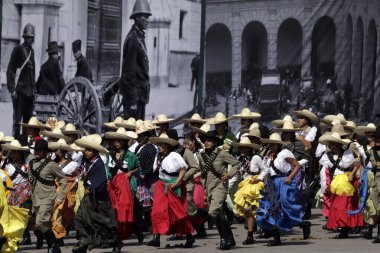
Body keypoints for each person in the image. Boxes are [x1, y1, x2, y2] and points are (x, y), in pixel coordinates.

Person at [256, 133, 310, 246]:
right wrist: (260, 180)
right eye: (269, 144)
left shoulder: (284, 153)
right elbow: (267, 170)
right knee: (272, 209)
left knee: (286, 208)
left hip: (284, 181)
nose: (270, 145)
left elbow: (297, 166)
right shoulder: (269, 156)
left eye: (273, 144)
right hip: (272, 183)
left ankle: (302, 224)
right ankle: (277, 238)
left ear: (278, 144)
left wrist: (290, 177)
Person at [72, 135, 122, 253]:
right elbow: (84, 173)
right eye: (85, 150)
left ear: (95, 152)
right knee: (80, 218)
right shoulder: (87, 162)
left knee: (102, 223)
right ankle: (83, 244)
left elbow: (102, 179)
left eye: (89, 150)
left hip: (99, 198)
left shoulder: (99, 163)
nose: (86, 152)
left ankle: (116, 242)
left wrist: (92, 187)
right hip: (88, 198)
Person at [147, 133, 194, 248]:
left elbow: (183, 169)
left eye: (162, 144)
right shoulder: (158, 155)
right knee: (156, 211)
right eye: (158, 144)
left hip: (173, 186)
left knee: (178, 213)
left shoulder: (174, 155)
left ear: (167, 145)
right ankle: (156, 237)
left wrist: (177, 183)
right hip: (160, 185)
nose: (159, 146)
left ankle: (189, 236)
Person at [198, 131, 239, 250]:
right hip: (208, 187)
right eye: (205, 140)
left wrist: (228, 175)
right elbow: (203, 173)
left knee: (213, 211)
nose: (206, 142)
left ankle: (223, 238)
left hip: (220, 186)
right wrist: (203, 187)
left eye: (209, 140)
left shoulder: (222, 154)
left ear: (215, 142)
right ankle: (230, 238)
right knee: (219, 215)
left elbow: (236, 164)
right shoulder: (201, 156)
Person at [318, 132, 363, 239]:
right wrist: (325, 186)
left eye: (333, 144)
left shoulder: (347, 153)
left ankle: (345, 229)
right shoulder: (326, 156)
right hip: (335, 183)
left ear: (338, 144)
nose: (331, 146)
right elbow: (325, 172)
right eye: (330, 144)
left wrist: (352, 174)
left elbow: (356, 164)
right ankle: (343, 228)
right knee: (337, 206)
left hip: (347, 182)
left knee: (345, 206)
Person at [104, 128, 144, 243]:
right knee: (114, 210)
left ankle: (137, 229)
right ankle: (117, 235)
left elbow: (137, 168)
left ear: (124, 141)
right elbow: (108, 169)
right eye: (115, 140)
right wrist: (108, 179)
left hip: (127, 185)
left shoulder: (131, 156)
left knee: (127, 209)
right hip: (114, 185)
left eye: (119, 140)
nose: (116, 142)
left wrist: (129, 173)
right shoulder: (110, 155)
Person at [28, 139, 67, 253]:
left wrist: (61, 196)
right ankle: (53, 246)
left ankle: (53, 244)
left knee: (40, 222)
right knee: (40, 223)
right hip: (35, 198)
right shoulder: (31, 163)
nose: (38, 152)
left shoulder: (51, 165)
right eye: (36, 149)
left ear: (46, 151)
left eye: (41, 150)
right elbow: (31, 183)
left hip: (48, 197)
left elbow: (63, 179)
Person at [120, 0, 151, 120]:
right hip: (134, 97)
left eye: (148, 16)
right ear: (137, 17)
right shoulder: (133, 39)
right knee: (132, 134)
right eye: (145, 16)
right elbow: (128, 74)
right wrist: (132, 101)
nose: (147, 20)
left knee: (140, 132)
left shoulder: (139, 37)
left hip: (141, 95)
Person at [232, 136, 265, 245]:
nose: (242, 150)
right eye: (241, 148)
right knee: (247, 211)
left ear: (249, 149)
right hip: (245, 186)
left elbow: (266, 169)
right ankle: (251, 234)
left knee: (252, 210)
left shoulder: (255, 158)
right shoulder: (240, 160)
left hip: (255, 186)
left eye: (245, 148)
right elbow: (238, 175)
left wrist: (258, 178)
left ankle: (267, 232)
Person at [6, 23, 36, 139]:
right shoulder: (18, 49)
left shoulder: (31, 52)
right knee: (18, 120)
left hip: (29, 93)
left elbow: (32, 72)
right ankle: (16, 144)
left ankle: (23, 146)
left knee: (28, 122)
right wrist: (12, 89)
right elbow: (10, 70)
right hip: (19, 92)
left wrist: (34, 89)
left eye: (32, 37)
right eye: (28, 37)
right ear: (24, 38)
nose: (30, 39)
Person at [48, 139, 78, 247]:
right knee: (56, 214)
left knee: (67, 215)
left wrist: (71, 184)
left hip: (67, 192)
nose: (55, 152)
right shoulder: (52, 163)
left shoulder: (72, 164)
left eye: (57, 150)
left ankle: (67, 232)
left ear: (63, 151)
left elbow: (78, 177)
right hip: (54, 192)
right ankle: (58, 236)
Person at [1, 140, 32, 245]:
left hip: (25, 192)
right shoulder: (6, 165)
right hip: (11, 193)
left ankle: (20, 239)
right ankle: (23, 237)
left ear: (20, 153)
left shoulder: (27, 165)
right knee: (13, 216)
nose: (12, 154)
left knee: (20, 215)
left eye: (15, 152)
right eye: (11, 152)